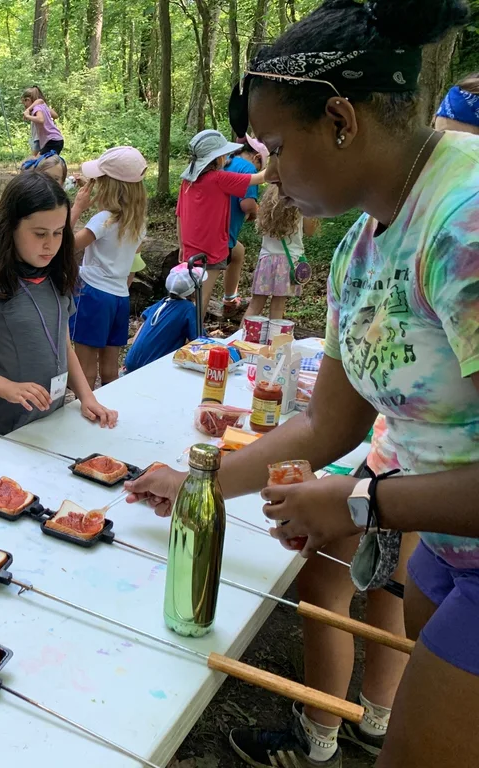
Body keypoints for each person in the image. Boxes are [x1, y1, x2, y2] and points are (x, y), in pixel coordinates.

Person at [130, 2, 477, 767]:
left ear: (342, 120)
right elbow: (328, 426)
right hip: (446, 552)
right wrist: (198, 483)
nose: (270, 175)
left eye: (279, 148)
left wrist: (360, 503)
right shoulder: (363, 246)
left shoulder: (465, 225)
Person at [0, 172, 118, 455]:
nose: (50, 244)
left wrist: (87, 397)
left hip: (49, 422)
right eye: (40, 234)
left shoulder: (58, 277)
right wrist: (8, 388)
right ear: (11, 228)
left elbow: (62, 344)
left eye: (58, 233)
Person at [69, 146, 149, 388]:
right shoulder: (137, 221)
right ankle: (108, 404)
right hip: (119, 298)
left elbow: (65, 245)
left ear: (109, 187)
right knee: (110, 369)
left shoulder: (104, 219)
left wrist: (77, 208)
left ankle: (85, 407)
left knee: (85, 369)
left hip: (92, 294)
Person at [176, 130, 268, 316]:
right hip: (211, 249)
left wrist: (181, 245)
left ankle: (192, 328)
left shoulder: (187, 181)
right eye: (224, 154)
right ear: (217, 158)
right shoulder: (219, 178)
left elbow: (179, 215)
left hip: (191, 246)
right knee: (202, 296)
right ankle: (194, 332)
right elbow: (260, 178)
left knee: (192, 293)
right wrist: (283, 162)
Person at [245, 185, 320, 322]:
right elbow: (310, 231)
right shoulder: (301, 206)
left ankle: (242, 334)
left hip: (266, 259)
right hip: (288, 261)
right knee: (278, 306)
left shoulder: (268, 207)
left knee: (255, 305)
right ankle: (274, 335)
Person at [122, 264, 205, 374]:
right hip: (152, 368)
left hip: (131, 362)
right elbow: (200, 341)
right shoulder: (188, 309)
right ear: (194, 290)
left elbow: (141, 328)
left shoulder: (161, 303)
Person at [221, 140, 265, 317]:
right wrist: (255, 211)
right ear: (256, 157)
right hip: (224, 231)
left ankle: (230, 299)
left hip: (210, 226)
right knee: (210, 272)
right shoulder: (248, 169)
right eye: (261, 166)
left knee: (238, 252)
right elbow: (247, 204)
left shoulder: (226, 160)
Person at [22, 87, 64, 156]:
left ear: (28, 100)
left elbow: (41, 119)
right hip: (53, 139)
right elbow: (40, 101)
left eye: (24, 102)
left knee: (36, 159)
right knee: (45, 159)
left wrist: (28, 115)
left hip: (51, 140)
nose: (25, 106)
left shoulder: (37, 108)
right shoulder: (41, 106)